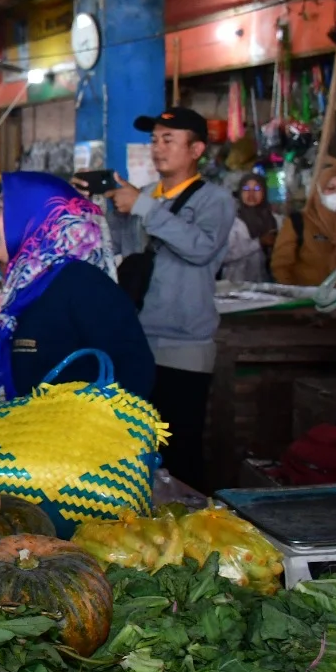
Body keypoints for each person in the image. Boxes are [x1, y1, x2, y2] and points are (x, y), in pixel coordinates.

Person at [87, 107, 234, 489]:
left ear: (197, 148)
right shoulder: (147, 196)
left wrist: (142, 206)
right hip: (138, 340)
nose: (157, 148)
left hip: (184, 347)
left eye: (169, 139)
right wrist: (110, 207)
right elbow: (124, 249)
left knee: (180, 450)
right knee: (136, 449)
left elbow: (199, 248)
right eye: (154, 140)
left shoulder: (215, 200)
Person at [0, 171, 154, 399]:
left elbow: (134, 370)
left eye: (1, 209)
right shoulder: (28, 287)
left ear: (35, 216)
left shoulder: (82, 283)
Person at [270, 166, 336, 286]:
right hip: (309, 301)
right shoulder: (299, 222)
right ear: (319, 190)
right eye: (330, 188)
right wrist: (295, 297)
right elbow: (280, 265)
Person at [221, 173, 279, 283]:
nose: (251, 193)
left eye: (257, 188)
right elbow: (223, 256)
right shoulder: (230, 221)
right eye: (246, 188)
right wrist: (259, 243)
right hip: (235, 284)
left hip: (267, 284)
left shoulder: (275, 220)